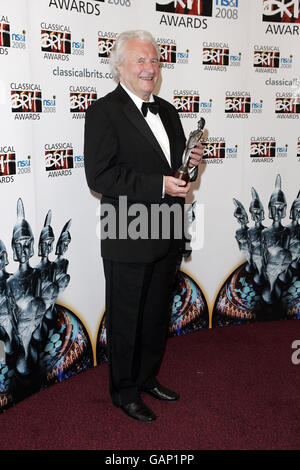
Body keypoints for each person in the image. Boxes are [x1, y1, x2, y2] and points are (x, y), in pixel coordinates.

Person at [84, 30, 203, 422]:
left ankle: (147, 377)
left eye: (154, 60)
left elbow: (176, 171)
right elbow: (100, 177)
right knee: (127, 317)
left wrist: (190, 164)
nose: (150, 67)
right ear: (119, 67)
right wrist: (157, 184)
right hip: (128, 230)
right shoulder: (103, 111)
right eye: (140, 60)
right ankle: (124, 391)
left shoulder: (168, 111)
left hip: (167, 226)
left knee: (154, 314)